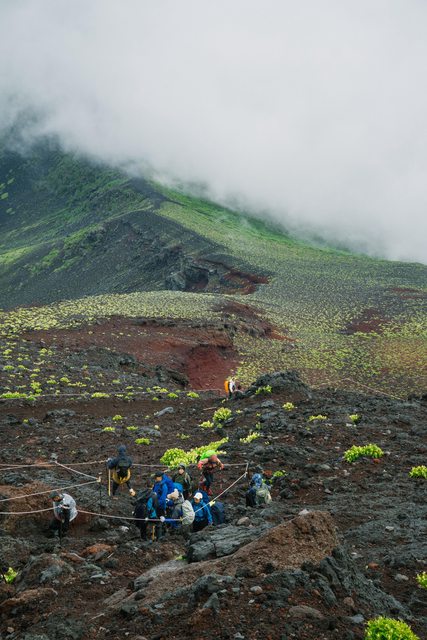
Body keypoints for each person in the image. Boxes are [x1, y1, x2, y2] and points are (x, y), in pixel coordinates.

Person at [153, 471, 175, 537]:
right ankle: (157, 534)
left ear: (160, 477)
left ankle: (160, 536)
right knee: (157, 521)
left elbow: (163, 498)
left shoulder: (163, 486)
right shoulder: (156, 483)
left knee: (160, 521)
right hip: (156, 505)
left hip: (160, 507)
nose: (155, 478)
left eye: (156, 477)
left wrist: (156, 504)